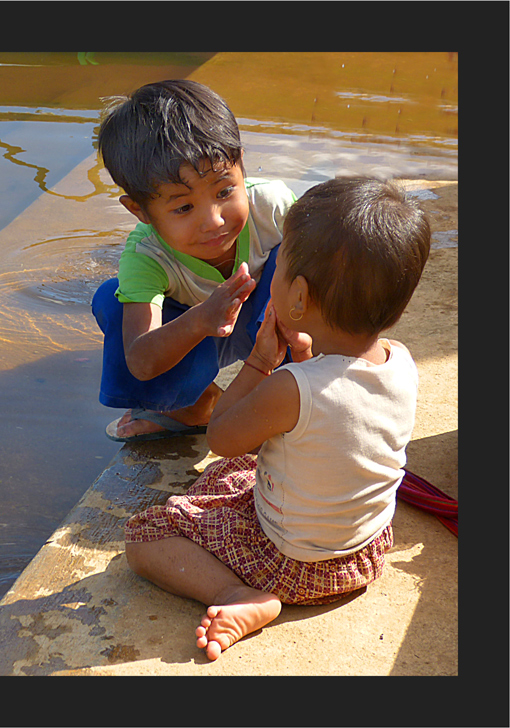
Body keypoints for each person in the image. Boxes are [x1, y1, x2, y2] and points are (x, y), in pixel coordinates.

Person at [122, 176, 432, 660]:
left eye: (280, 267)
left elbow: (223, 436)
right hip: (365, 550)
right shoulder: (402, 361)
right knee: (233, 477)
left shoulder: (290, 388)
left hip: (292, 563)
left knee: (145, 535)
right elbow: (335, 416)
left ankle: (238, 595)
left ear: (300, 298)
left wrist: (260, 364)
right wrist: (303, 360)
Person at [92, 79, 296, 442]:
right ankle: (194, 405)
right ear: (140, 210)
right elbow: (140, 360)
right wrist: (202, 318)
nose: (214, 220)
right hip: (195, 337)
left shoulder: (273, 207)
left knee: (302, 257)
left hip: (271, 327)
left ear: (241, 167)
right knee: (113, 300)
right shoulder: (146, 257)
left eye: (224, 191)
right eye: (184, 207)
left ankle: (289, 390)